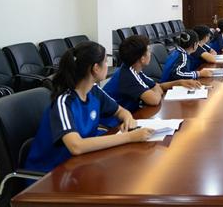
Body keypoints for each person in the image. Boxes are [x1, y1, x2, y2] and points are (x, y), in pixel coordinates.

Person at [24, 42, 154, 173]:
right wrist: (129, 137)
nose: (107, 65)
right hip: (51, 172)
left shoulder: (94, 90)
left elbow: (120, 111)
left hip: (81, 163)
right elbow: (76, 146)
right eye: (105, 61)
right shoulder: (63, 102)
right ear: (96, 68)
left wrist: (128, 119)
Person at [104, 35, 200, 113]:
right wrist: (156, 90)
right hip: (111, 123)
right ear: (142, 59)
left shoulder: (133, 69)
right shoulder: (128, 75)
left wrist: (179, 82)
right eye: (149, 51)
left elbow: (158, 86)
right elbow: (154, 100)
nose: (150, 54)